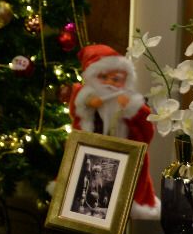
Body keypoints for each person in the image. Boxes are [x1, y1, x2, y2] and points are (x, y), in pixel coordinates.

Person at [68, 43, 159, 215]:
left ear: (125, 80)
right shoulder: (85, 98)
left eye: (116, 79)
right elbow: (77, 117)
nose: (109, 83)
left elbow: (146, 132)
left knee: (119, 192)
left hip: (121, 156)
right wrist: (87, 103)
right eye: (103, 77)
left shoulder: (131, 102)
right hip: (91, 155)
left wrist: (131, 109)